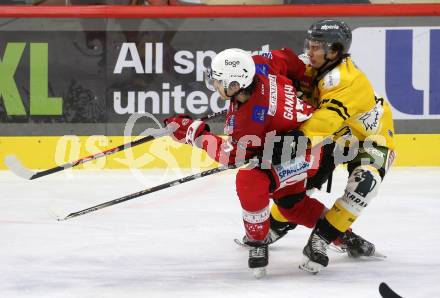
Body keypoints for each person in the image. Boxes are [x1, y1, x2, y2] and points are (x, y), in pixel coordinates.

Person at [164, 48, 374, 278]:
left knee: (250, 179)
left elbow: (231, 155)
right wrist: (302, 89)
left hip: (305, 152)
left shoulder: (249, 120)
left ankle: (258, 241)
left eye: (218, 81)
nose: (214, 85)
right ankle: (344, 236)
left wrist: (192, 133)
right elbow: (288, 59)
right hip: (313, 140)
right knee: (291, 204)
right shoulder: (260, 65)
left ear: (236, 85)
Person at [293, 19, 396, 274]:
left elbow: (326, 120)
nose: (310, 51)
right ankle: (276, 224)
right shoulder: (310, 65)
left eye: (317, 47)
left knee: (364, 184)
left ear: (335, 51)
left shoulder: (347, 80)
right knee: (295, 180)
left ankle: (321, 238)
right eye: (309, 44)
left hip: (372, 138)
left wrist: (293, 139)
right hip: (338, 135)